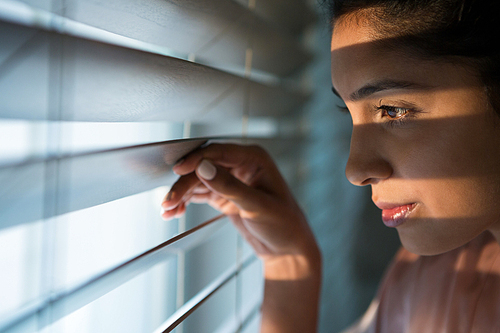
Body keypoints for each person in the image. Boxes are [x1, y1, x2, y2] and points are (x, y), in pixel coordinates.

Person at [161, 0, 500, 331]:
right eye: (349, 114)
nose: (355, 170)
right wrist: (290, 262)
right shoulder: (430, 283)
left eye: (394, 110)